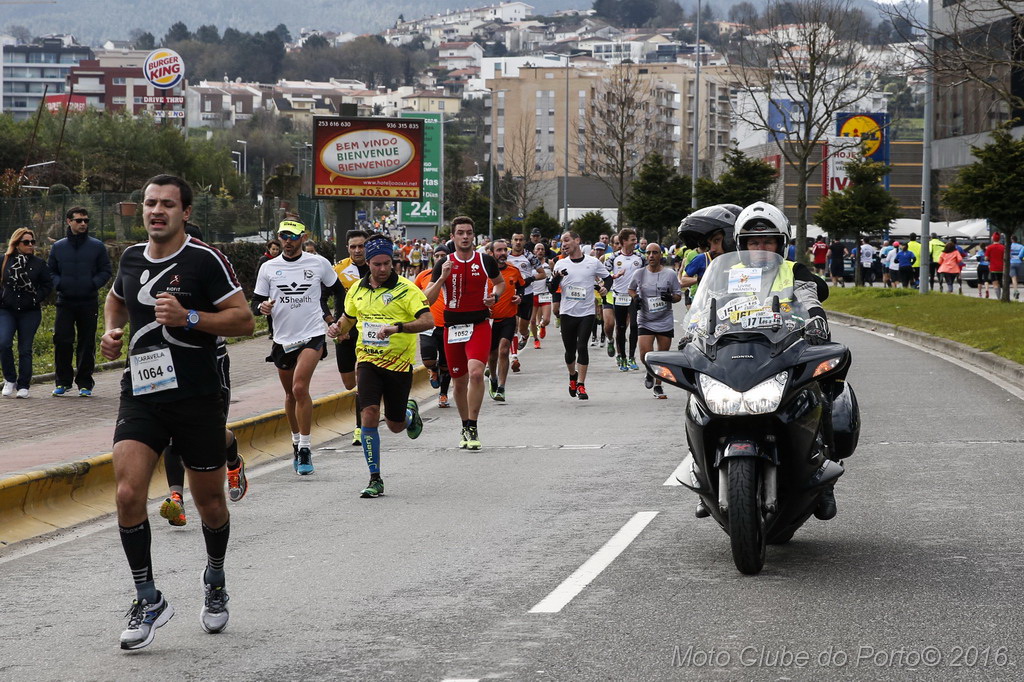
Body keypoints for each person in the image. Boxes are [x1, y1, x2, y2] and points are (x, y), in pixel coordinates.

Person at [100, 174, 253, 649]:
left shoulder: (205, 259)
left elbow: (245, 320)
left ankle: (215, 580)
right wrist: (110, 333)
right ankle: (148, 598)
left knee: (210, 505)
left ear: (185, 211)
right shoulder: (129, 257)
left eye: (167, 204)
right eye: (150, 203)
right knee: (127, 493)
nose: (156, 211)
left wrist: (190, 317)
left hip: (198, 397)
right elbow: (117, 299)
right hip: (142, 392)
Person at [699, 202, 836, 519]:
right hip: (734, 353)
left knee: (821, 395)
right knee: (700, 400)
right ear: (742, 245)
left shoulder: (793, 271)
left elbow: (811, 296)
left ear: (781, 243)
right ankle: (704, 476)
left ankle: (825, 480)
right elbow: (705, 308)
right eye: (753, 242)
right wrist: (693, 333)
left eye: (768, 241)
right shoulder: (726, 274)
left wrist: (816, 320)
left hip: (784, 352)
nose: (760, 248)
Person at [159, 224, 247, 529]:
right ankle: (177, 499)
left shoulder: (210, 270)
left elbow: (239, 319)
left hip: (211, 364)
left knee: (208, 434)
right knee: (173, 432)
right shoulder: (154, 268)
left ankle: (233, 460)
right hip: (169, 364)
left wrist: (191, 317)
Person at [327, 235, 430, 497]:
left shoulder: (407, 290)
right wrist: (337, 327)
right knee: (369, 412)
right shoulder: (357, 290)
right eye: (377, 264)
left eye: (387, 263)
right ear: (368, 263)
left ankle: (408, 413)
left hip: (398, 364)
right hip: (368, 361)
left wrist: (398, 328)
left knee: (395, 425)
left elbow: (428, 321)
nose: (383, 269)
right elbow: (348, 319)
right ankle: (375, 478)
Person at [252, 220, 343, 475]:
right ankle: (295, 441)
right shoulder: (269, 267)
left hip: (312, 334)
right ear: (279, 237)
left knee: (300, 387)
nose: (288, 241)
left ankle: (305, 448)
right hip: (283, 339)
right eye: (284, 236)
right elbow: (255, 301)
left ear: (303, 237)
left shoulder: (318, 263)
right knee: (291, 395)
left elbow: (338, 290)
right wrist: (262, 308)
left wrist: (337, 321)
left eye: (293, 236)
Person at [424, 216, 505, 450]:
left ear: (474, 235)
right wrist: (442, 277)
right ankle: (464, 424)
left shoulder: (486, 260)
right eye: (460, 232)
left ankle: (474, 425)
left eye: (469, 232)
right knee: (459, 381)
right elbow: (427, 299)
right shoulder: (444, 262)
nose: (466, 236)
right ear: (453, 237)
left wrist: (495, 296)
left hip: (478, 324)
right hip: (453, 328)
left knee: (477, 373)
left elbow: (500, 284)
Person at [47, 207, 112, 397]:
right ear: (69, 221)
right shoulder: (58, 247)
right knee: (62, 341)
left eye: (86, 220)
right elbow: (50, 271)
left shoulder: (97, 246)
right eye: (79, 220)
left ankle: (85, 383)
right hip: (65, 302)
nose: (83, 223)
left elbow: (106, 270)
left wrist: (93, 284)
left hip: (88, 301)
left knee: (87, 342)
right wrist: (60, 284)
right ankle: (62, 382)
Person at [550, 231, 612, 400]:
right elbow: (551, 288)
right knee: (569, 351)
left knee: (582, 346)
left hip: (587, 312)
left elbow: (608, 279)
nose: (564, 244)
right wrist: (556, 278)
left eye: (567, 240)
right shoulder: (560, 264)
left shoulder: (592, 263)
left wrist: (606, 287)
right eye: (562, 242)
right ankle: (572, 376)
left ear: (577, 241)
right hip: (567, 312)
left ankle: (581, 384)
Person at [0, 228, 53, 398]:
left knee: (25, 349)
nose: (30, 245)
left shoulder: (38, 263)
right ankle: (9, 379)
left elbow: (47, 285)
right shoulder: (4, 260)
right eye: (26, 242)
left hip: (29, 311)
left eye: (32, 242)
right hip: (7, 310)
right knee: (4, 343)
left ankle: (24, 385)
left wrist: (35, 298)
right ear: (16, 244)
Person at [628, 243, 681, 398]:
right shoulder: (639, 274)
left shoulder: (670, 274)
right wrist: (635, 297)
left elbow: (678, 294)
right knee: (645, 355)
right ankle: (650, 372)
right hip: (645, 319)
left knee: (662, 357)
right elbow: (631, 289)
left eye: (655, 253)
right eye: (648, 253)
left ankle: (658, 386)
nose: (651, 256)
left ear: (660, 256)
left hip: (664, 320)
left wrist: (671, 297)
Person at [333, 230, 370, 446]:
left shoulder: (377, 267)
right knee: (349, 384)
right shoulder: (338, 270)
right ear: (347, 248)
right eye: (353, 246)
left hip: (368, 332)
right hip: (345, 332)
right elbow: (323, 298)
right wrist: (333, 323)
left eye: (361, 246)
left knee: (363, 380)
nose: (357, 250)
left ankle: (360, 426)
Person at [486, 239, 526, 402]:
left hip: (508, 317)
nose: (503, 253)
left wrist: (519, 297)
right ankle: (493, 377)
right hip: (488, 320)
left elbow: (522, 286)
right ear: (491, 253)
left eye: (505, 250)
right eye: (499, 250)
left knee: (504, 350)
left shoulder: (513, 270)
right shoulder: (484, 272)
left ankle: (501, 387)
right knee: (492, 353)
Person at [415, 245, 452, 408]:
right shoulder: (423, 276)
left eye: (443, 255)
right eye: (437, 255)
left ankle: (443, 394)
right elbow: (413, 296)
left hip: (449, 325)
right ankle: (433, 370)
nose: (439, 258)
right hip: (428, 324)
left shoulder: (455, 275)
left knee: (446, 364)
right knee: (428, 360)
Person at [606, 228, 646, 372]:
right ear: (624, 241)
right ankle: (622, 357)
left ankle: (631, 357)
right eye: (632, 240)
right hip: (619, 296)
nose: (635, 242)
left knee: (635, 326)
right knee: (621, 327)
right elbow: (603, 275)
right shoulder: (613, 258)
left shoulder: (640, 258)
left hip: (634, 297)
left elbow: (647, 273)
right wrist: (614, 276)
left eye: (636, 240)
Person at [506, 232, 546, 372]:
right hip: (511, 295)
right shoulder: (505, 256)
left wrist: (530, 279)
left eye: (520, 240)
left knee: (523, 328)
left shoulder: (530, 256)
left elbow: (543, 274)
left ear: (524, 242)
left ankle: (525, 335)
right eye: (515, 239)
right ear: (511, 241)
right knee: (513, 327)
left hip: (527, 295)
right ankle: (514, 357)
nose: (518, 242)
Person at [528, 242, 552, 349]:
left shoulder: (549, 263)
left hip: (545, 294)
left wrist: (551, 282)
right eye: (538, 249)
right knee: (532, 320)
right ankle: (536, 340)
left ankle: (542, 325)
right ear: (534, 251)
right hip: (532, 294)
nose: (540, 251)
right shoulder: (529, 264)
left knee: (546, 319)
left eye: (542, 249)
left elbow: (554, 276)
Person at [986, 233, 1006, 300]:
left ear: (992, 239)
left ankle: (998, 298)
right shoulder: (1003, 247)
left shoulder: (989, 247)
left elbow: (986, 258)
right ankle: (1004, 296)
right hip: (1002, 268)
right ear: (999, 239)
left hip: (993, 268)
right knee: (1001, 282)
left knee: (995, 283)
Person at [1010, 235, 1023, 300]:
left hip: (1011, 263)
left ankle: (1015, 291)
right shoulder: (1021, 246)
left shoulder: (1009, 246)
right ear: (1016, 240)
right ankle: (1016, 288)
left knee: (1013, 278)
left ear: (1011, 240)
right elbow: (1021, 256)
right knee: (1016, 277)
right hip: (1019, 263)